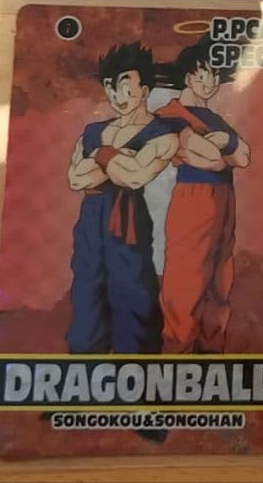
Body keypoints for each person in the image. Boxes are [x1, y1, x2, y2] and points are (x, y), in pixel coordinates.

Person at [66, 42, 178, 354]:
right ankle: (85, 369)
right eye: (110, 87)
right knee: (87, 292)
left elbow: (133, 177)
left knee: (134, 293)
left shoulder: (162, 133)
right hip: (90, 222)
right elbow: (76, 179)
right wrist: (117, 157)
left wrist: (99, 156)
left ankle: (139, 370)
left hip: (128, 220)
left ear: (145, 89)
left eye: (126, 86)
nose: (118, 96)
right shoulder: (92, 131)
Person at [156, 36, 250, 354]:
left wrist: (223, 145)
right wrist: (224, 146)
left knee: (220, 279)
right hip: (193, 197)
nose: (210, 81)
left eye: (214, 74)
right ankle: (177, 354)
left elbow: (244, 157)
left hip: (224, 198)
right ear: (188, 76)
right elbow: (210, 158)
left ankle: (212, 354)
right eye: (203, 73)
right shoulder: (171, 114)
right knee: (187, 279)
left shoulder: (215, 119)